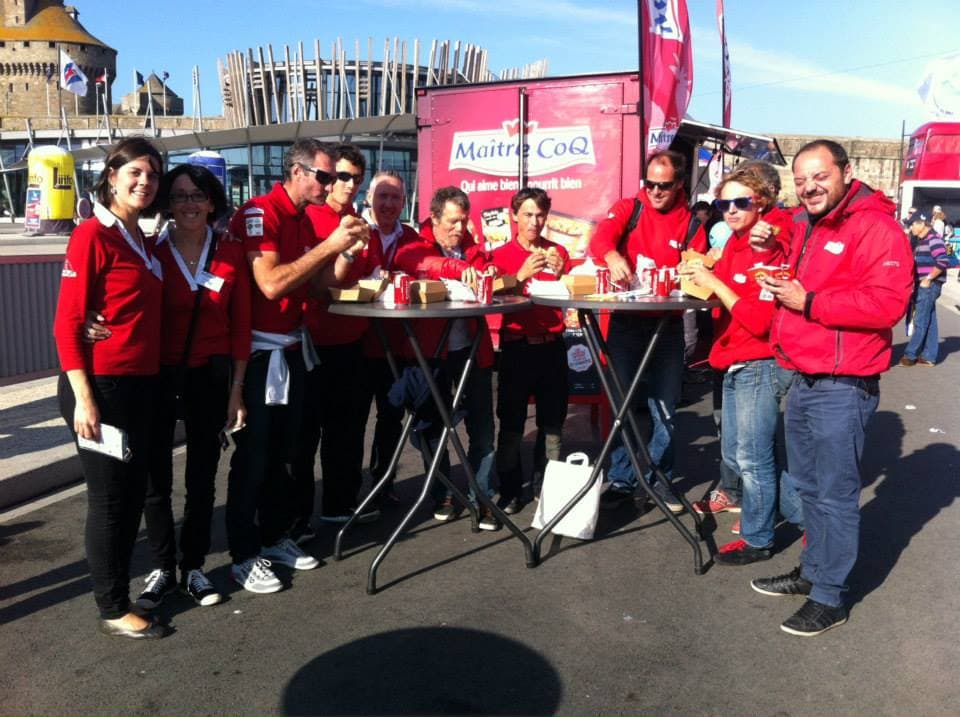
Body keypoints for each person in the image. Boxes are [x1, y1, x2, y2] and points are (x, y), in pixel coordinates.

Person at [753, 139, 913, 636]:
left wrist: (811, 301)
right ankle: (813, 571)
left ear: (846, 172)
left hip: (844, 385)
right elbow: (812, 270)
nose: (808, 187)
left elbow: (887, 305)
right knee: (809, 489)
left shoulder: (876, 227)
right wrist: (772, 248)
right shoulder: (805, 224)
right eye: (800, 180)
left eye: (818, 176)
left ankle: (830, 597)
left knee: (836, 494)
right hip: (804, 376)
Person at [226, 139, 368, 593]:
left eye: (337, 178)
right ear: (296, 171)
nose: (332, 186)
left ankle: (274, 537)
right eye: (325, 177)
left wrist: (345, 250)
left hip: (290, 347)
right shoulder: (261, 212)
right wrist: (329, 245)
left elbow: (323, 285)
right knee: (255, 457)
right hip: (259, 352)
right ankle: (243, 554)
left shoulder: (302, 218)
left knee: (287, 455)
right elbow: (270, 284)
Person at [53, 137, 169, 639]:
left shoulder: (138, 236)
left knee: (130, 495)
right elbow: (67, 324)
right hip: (101, 388)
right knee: (110, 500)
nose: (145, 182)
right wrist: (85, 400)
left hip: (139, 385)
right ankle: (112, 606)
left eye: (153, 175)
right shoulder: (91, 235)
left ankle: (118, 592)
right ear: (112, 175)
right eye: (136, 173)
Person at [120, 164, 249, 609]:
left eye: (197, 195)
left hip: (211, 376)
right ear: (167, 205)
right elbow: (126, 305)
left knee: (201, 477)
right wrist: (97, 325)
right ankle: (162, 567)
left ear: (212, 201)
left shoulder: (230, 254)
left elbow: (241, 328)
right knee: (155, 476)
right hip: (159, 374)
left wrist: (237, 390)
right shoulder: (151, 252)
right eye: (178, 196)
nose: (189, 203)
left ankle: (193, 567)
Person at [680, 168, 802, 565]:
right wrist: (707, 272)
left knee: (752, 456)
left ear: (761, 202)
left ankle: (759, 538)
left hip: (758, 361)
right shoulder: (735, 242)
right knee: (738, 454)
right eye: (722, 203)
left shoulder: (767, 244)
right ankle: (807, 518)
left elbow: (760, 319)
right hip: (734, 359)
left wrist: (714, 283)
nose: (730, 211)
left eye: (740, 202)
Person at [588, 150, 707, 513]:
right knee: (622, 406)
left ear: (679, 185)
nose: (655, 191)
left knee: (665, 409)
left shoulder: (691, 224)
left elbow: (699, 274)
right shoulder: (629, 208)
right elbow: (601, 239)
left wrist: (688, 278)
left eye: (664, 185)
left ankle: (662, 478)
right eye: (650, 183)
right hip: (626, 324)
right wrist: (611, 255)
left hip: (667, 327)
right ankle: (622, 481)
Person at [394, 186, 500, 530]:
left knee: (483, 427)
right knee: (432, 428)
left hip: (472, 351)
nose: (460, 228)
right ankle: (442, 490)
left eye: (464, 221)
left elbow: (488, 267)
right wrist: (455, 268)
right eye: (453, 221)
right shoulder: (415, 244)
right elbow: (413, 262)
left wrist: (488, 272)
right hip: (430, 354)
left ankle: (481, 496)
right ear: (435, 218)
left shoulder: (473, 247)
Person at [292, 144, 380, 534]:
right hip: (312, 341)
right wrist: (345, 258)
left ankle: (339, 505)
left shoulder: (358, 221)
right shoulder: (308, 219)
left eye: (357, 179)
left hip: (353, 340)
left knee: (347, 432)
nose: (349, 185)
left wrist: (378, 280)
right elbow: (316, 287)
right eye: (342, 176)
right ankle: (297, 518)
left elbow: (369, 272)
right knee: (305, 435)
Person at [490, 187, 571, 513]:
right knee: (511, 424)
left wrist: (563, 272)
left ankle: (546, 488)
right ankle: (509, 489)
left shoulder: (558, 251)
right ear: (514, 216)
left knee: (553, 425)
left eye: (540, 215)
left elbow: (571, 294)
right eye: (527, 214)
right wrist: (520, 275)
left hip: (552, 347)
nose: (534, 221)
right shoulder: (500, 255)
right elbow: (490, 293)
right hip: (516, 347)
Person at [361, 171, 421, 504]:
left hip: (394, 345)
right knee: (348, 422)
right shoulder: (352, 231)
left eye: (395, 197)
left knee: (390, 417)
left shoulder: (411, 236)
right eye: (382, 195)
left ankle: (383, 484)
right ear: (369, 197)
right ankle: (342, 493)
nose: (388, 203)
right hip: (353, 343)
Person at [899, 211, 948, 367]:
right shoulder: (921, 241)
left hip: (929, 285)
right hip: (925, 284)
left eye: (912, 224)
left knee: (920, 320)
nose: (910, 228)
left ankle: (910, 354)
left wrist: (928, 278)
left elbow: (942, 261)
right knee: (929, 320)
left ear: (921, 224)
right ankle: (929, 356)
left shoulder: (933, 240)